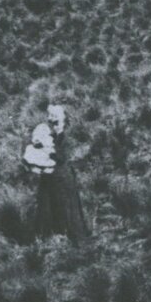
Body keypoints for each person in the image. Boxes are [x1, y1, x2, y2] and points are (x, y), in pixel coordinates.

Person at [24, 104, 91, 243]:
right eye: (51, 120)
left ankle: (76, 241)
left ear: (64, 121)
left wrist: (50, 151)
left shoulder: (67, 137)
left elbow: (64, 156)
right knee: (48, 209)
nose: (52, 123)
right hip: (49, 178)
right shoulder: (51, 136)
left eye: (56, 120)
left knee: (67, 209)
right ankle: (51, 241)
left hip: (63, 178)